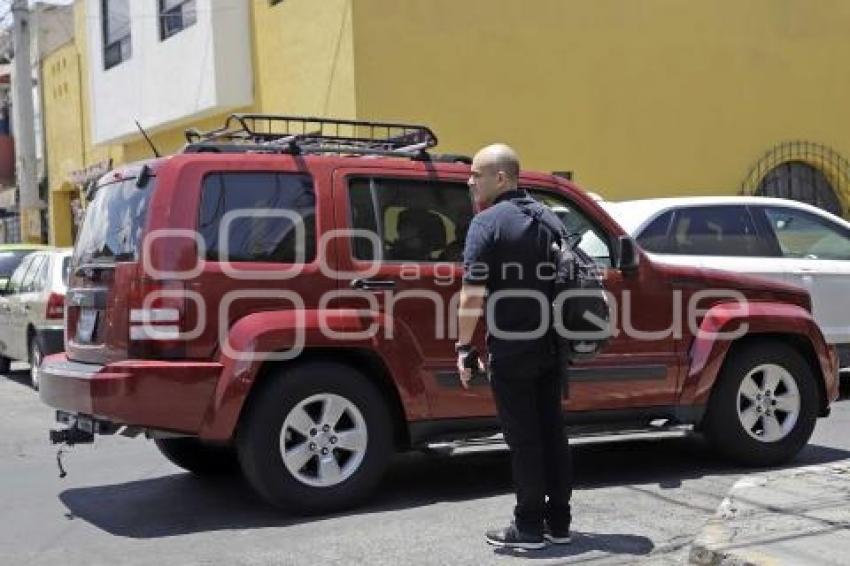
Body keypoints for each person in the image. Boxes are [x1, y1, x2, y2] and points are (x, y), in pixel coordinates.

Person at [455, 143, 572, 550]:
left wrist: (463, 347)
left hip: (512, 348)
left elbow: (471, 296)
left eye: (476, 174)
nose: (469, 181)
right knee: (552, 433)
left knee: (524, 440)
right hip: (553, 346)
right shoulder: (549, 219)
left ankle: (527, 528)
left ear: (500, 177)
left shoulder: (487, 224)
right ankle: (559, 523)